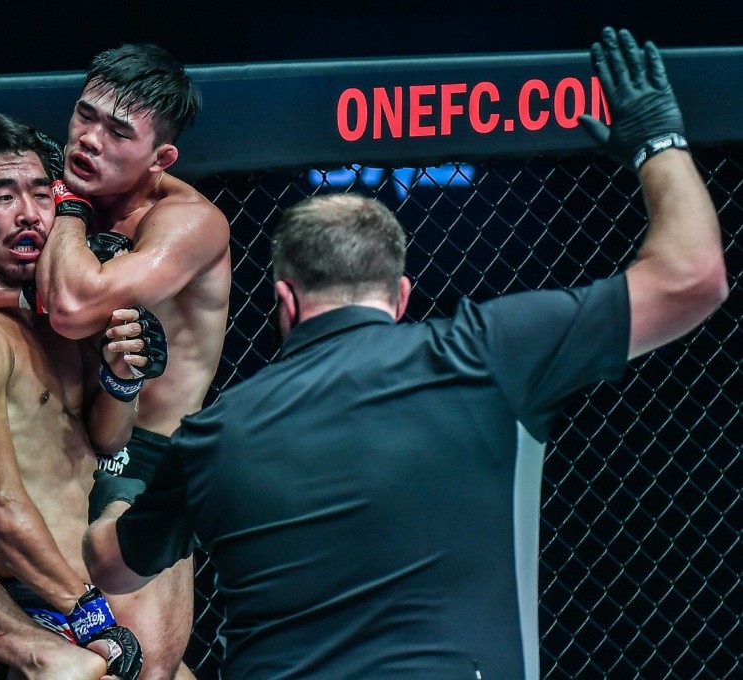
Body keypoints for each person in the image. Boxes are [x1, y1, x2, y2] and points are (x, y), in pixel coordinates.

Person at [80, 28, 729, 680]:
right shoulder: (481, 354)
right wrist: (658, 141)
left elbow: (111, 564)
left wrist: (119, 473)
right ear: (400, 296)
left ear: (284, 301)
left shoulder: (216, 434)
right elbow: (693, 277)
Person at [0, 44, 231, 679]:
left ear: (161, 159)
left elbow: (73, 307)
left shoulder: (185, 222)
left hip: (141, 456)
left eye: (118, 132)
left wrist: (69, 205)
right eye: (85, 116)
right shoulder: (43, 189)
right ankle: (46, 645)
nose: (90, 140)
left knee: (149, 671)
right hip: (68, 431)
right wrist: (25, 294)